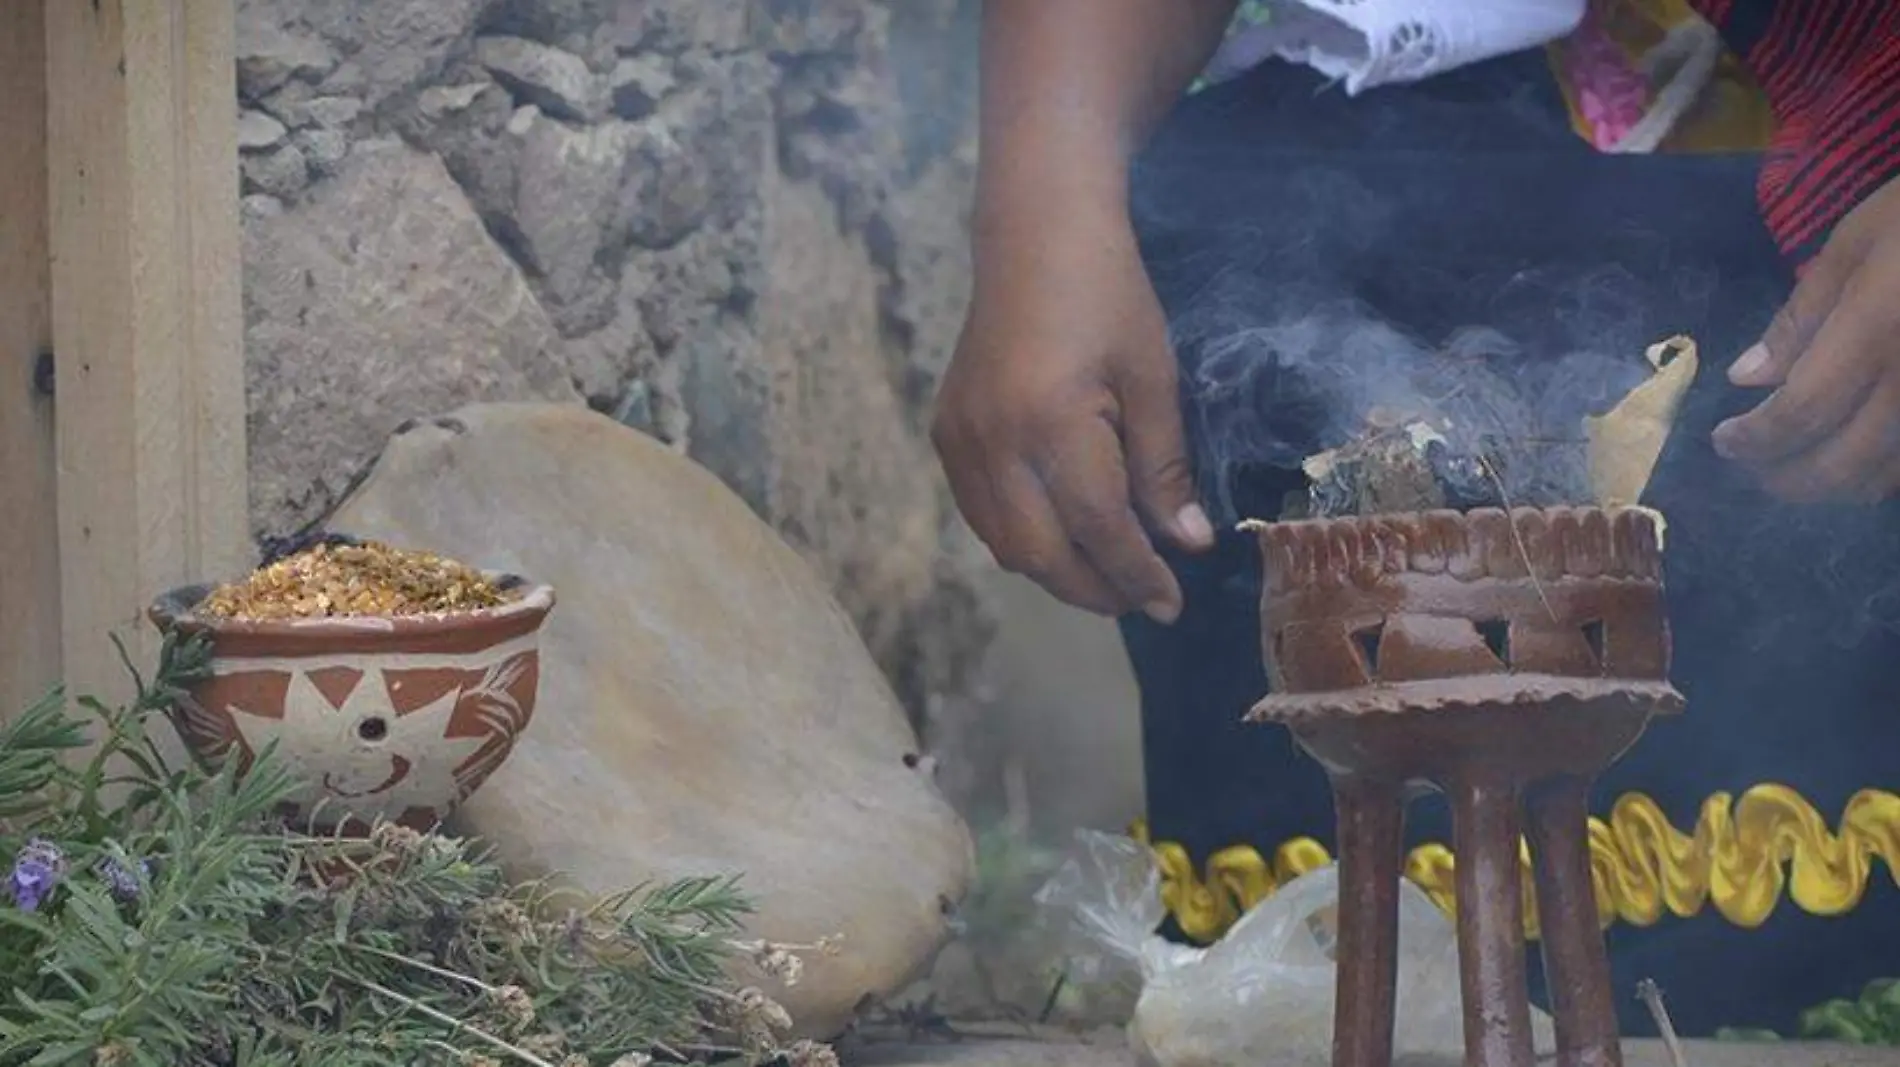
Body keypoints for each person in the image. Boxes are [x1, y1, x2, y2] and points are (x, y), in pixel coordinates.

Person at [933, 0, 1900, 1038]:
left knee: (1786, 946)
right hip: (1271, 189)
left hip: (1794, 183)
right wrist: (1044, 205)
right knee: (1316, 980)